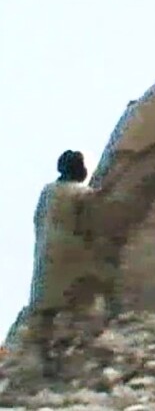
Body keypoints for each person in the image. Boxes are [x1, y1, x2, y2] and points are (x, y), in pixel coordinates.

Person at [18, 150, 97, 376]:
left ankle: (41, 360)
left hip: (45, 254)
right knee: (75, 305)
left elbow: (37, 220)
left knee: (45, 309)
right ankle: (64, 360)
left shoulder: (48, 191)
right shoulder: (83, 194)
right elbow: (90, 226)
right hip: (71, 256)